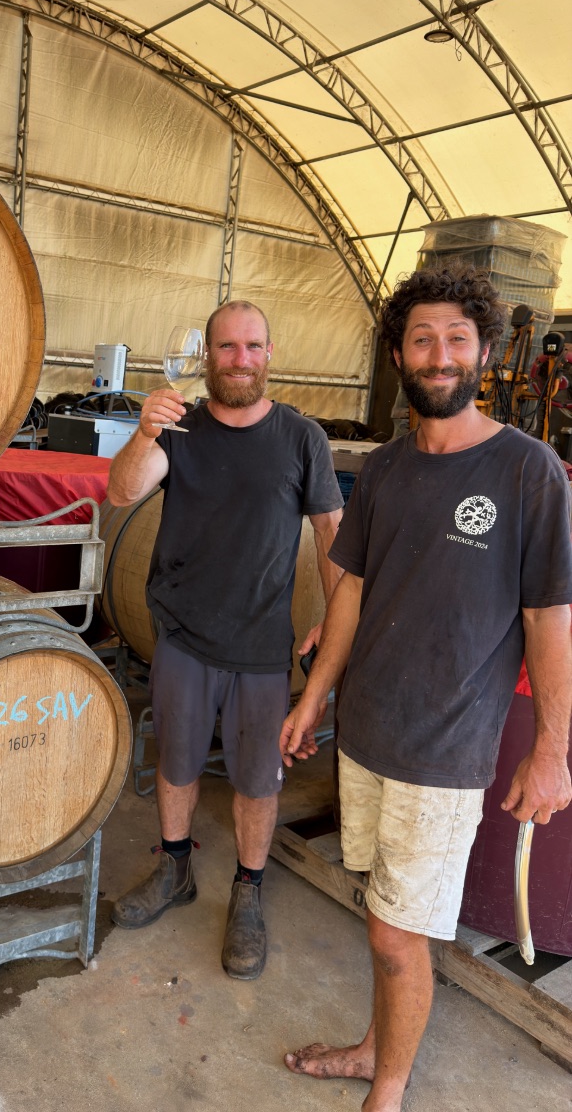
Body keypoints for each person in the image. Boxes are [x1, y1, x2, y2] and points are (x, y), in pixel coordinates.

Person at [279, 262, 572, 1112]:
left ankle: (389, 1089)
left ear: (481, 352)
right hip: (368, 734)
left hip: (443, 755)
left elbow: (551, 619)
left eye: (455, 339)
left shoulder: (530, 471)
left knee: (398, 937)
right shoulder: (387, 470)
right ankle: (379, 1049)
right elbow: (352, 592)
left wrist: (553, 750)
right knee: (381, 917)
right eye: (421, 339)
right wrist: (313, 697)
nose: (438, 355)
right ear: (400, 357)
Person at [107, 299, 344, 980]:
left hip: (264, 643)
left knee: (256, 778)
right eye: (227, 347)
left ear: (270, 356)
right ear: (208, 356)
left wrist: (335, 614)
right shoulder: (179, 430)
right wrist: (143, 433)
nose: (240, 359)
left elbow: (332, 533)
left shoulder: (302, 438)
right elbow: (122, 494)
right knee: (177, 763)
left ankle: (247, 890)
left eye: (252, 347)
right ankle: (175, 869)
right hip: (182, 634)